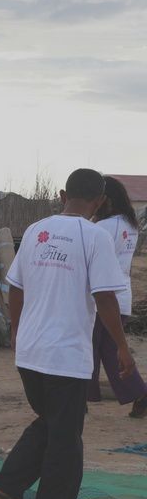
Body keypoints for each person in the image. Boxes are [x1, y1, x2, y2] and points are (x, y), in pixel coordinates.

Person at [0, 169, 136, 499]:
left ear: (60, 194)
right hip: (65, 356)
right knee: (65, 442)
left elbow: (16, 287)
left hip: (30, 354)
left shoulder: (37, 231)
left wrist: (17, 330)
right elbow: (105, 297)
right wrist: (122, 346)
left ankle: (10, 484)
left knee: (56, 425)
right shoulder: (94, 235)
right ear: (100, 202)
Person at [88, 176, 147, 418]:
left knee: (87, 350)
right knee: (110, 352)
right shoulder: (129, 224)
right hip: (121, 297)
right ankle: (140, 394)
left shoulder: (102, 228)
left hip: (101, 299)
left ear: (105, 200)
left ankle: (77, 398)